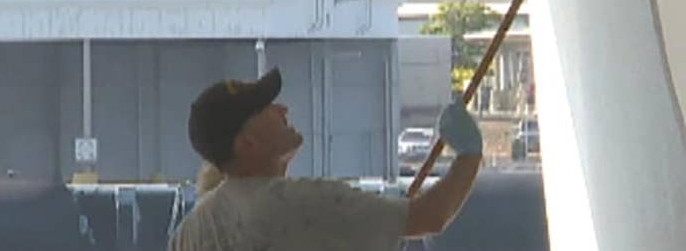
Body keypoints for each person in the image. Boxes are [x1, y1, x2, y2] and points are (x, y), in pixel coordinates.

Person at [169, 67, 482, 251]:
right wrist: (469, 155)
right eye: (266, 108)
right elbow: (430, 216)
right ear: (247, 142)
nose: (283, 110)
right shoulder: (300, 203)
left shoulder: (190, 231)